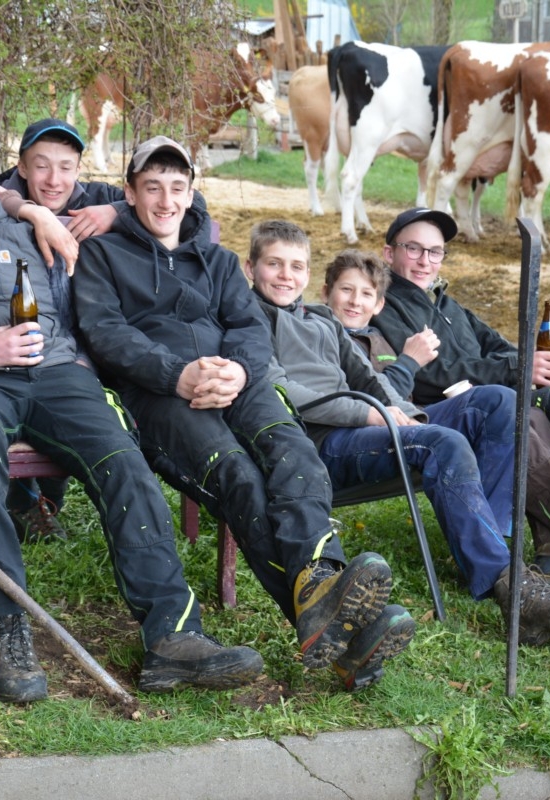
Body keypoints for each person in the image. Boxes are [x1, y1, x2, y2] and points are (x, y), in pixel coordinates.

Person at [0, 115, 262, 702]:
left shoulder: (34, 226)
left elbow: (79, 303)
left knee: (122, 458)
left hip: (55, 375)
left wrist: (75, 361)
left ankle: (174, 637)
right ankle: (6, 629)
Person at [72, 136, 405, 687]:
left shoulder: (220, 261)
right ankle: (337, 628)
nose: (165, 200)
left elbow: (249, 326)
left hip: (236, 383)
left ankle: (322, 580)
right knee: (240, 478)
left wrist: (241, 372)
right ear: (129, 193)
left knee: (294, 450)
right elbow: (105, 334)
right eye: (152, 187)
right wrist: (176, 374)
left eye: (177, 188)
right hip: (158, 394)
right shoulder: (104, 257)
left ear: (191, 193)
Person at [244, 221, 550, 663]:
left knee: (495, 401)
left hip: (367, 423)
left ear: (307, 272)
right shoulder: (250, 320)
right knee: (442, 444)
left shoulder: (320, 319)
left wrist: (405, 415)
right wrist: (369, 414)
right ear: (251, 268)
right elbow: (278, 391)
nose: (286, 275)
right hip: (321, 443)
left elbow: (370, 379)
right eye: (274, 264)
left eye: (296, 265)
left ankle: (494, 554)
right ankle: (512, 588)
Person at [321, 248, 550, 593]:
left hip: (404, 418)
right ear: (325, 292)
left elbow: (395, 391)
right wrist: (409, 363)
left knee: (519, 410)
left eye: (365, 294)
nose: (355, 301)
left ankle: (543, 549)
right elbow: (364, 395)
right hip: (358, 434)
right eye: (346, 290)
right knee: (504, 412)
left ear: (378, 304)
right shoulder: (320, 331)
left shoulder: (380, 334)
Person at [371, 209, 550, 560]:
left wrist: (524, 363)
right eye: (413, 249)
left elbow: (498, 345)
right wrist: (516, 368)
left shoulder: (444, 302)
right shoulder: (384, 304)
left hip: (500, 395)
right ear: (390, 253)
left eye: (435, 252)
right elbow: (431, 373)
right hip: (460, 411)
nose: (425, 261)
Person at [0, 117, 210, 539]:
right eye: (41, 166)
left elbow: (195, 202)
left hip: (91, 337)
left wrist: (116, 211)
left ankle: (46, 498)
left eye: (66, 167)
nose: (54, 179)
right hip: (21, 334)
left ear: (79, 168)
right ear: (21, 167)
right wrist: (33, 212)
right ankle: (24, 499)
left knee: (82, 385)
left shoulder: (97, 198)